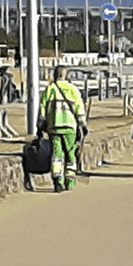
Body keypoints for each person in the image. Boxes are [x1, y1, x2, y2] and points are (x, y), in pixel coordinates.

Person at [39, 64, 87, 192]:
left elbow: (42, 108)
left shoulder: (50, 89)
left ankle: (57, 179)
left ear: (55, 75)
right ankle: (70, 181)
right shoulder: (73, 90)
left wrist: (41, 124)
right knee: (71, 154)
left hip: (54, 127)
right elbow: (79, 109)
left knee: (57, 155)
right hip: (70, 127)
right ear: (66, 75)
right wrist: (82, 124)